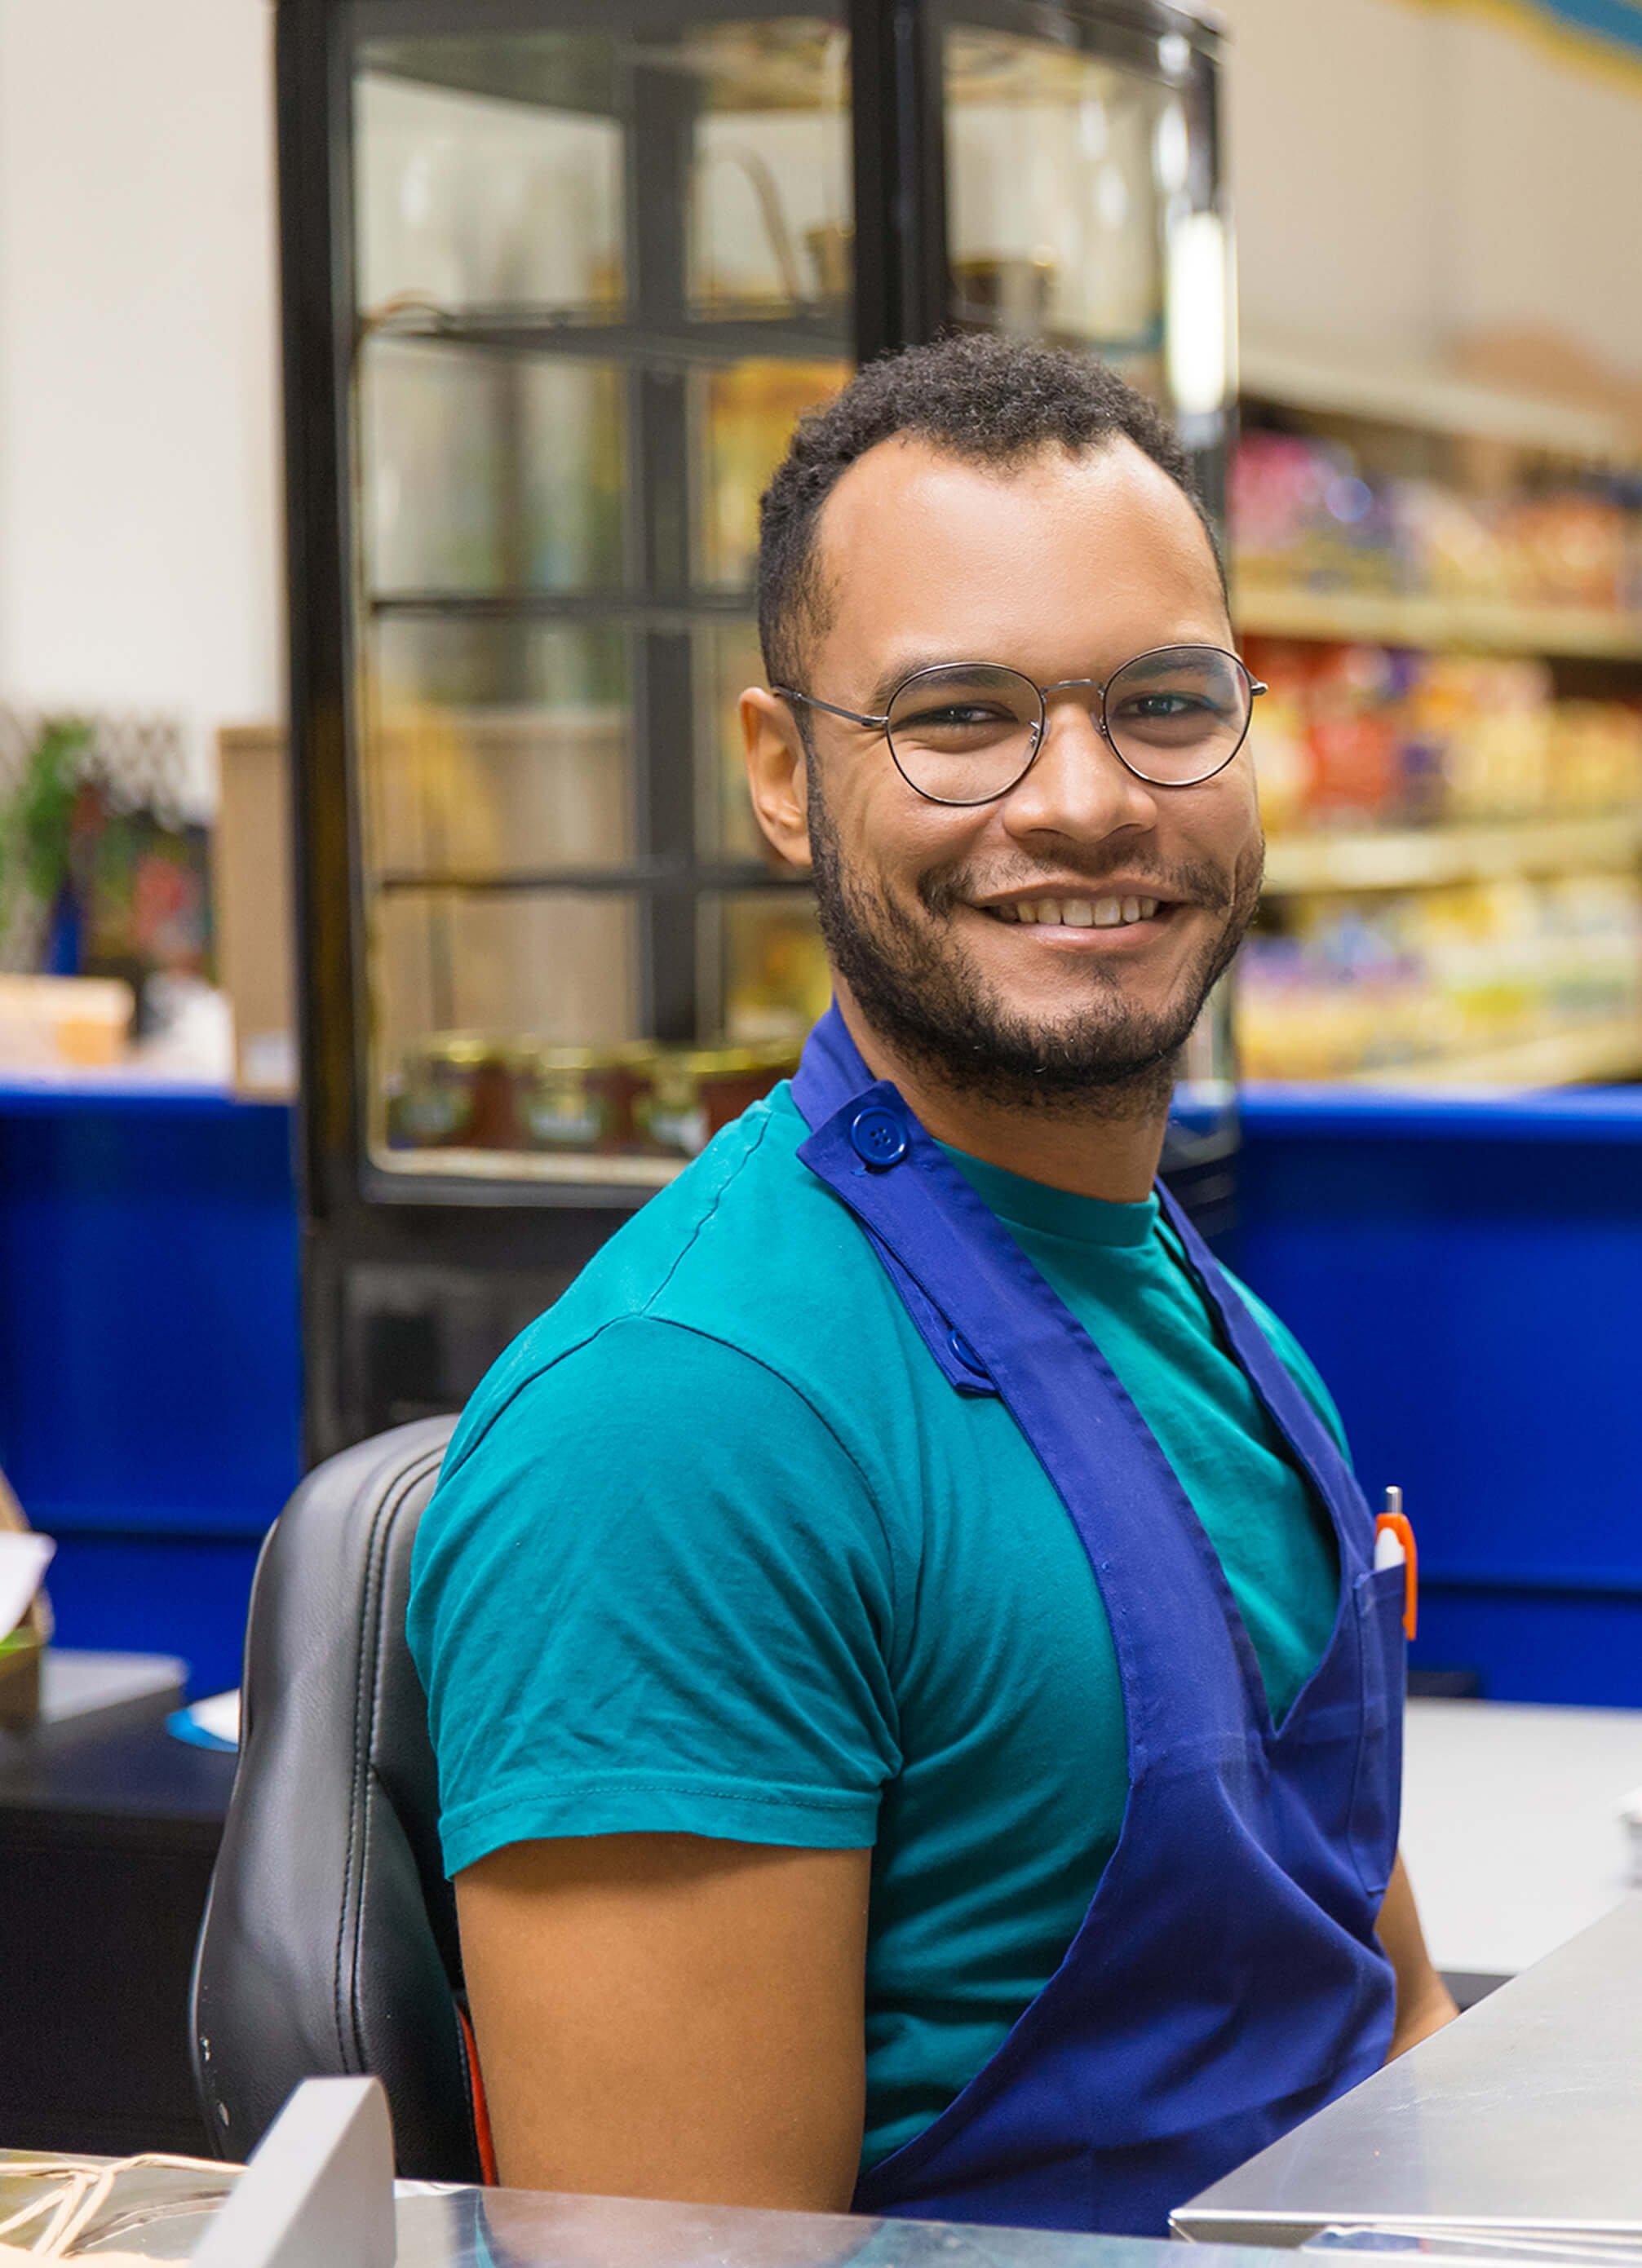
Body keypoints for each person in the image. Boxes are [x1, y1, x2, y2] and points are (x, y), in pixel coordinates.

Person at [408, 335, 1457, 2236]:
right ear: (782, 775)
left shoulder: (1202, 1310)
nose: (1082, 800)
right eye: (957, 717)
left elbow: (1378, 2014)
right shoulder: (683, 1431)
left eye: (1160, 701)